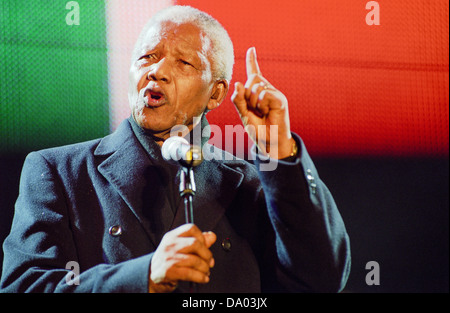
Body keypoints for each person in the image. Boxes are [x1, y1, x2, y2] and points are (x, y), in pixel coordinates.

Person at [0, 5, 350, 293]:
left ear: (215, 93)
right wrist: (146, 276)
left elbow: (322, 279)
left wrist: (280, 150)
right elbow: (23, 286)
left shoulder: (250, 186)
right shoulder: (59, 171)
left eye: (184, 63)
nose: (157, 71)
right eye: (147, 57)